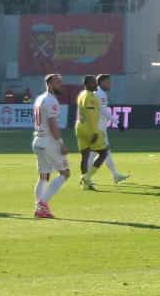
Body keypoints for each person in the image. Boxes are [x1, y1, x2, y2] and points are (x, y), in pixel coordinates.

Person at [31, 72, 69, 219]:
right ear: (50, 84)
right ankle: (42, 204)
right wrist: (61, 143)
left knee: (43, 177)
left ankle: (39, 208)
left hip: (38, 141)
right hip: (49, 142)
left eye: (61, 82)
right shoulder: (51, 100)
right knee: (65, 173)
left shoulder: (39, 98)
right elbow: (53, 124)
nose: (61, 85)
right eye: (58, 82)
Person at [90, 73, 128, 184]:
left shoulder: (97, 94)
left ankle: (115, 175)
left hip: (99, 128)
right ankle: (85, 178)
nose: (110, 84)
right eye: (108, 82)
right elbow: (103, 110)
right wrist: (117, 122)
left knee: (104, 153)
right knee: (96, 153)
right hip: (98, 130)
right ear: (101, 83)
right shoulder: (100, 94)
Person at [74, 75, 105, 190]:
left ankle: (86, 185)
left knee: (85, 156)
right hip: (89, 129)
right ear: (87, 84)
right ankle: (86, 178)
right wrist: (95, 132)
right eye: (93, 83)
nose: (96, 84)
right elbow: (91, 116)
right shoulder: (90, 97)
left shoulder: (81, 94)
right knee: (103, 152)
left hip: (80, 127)